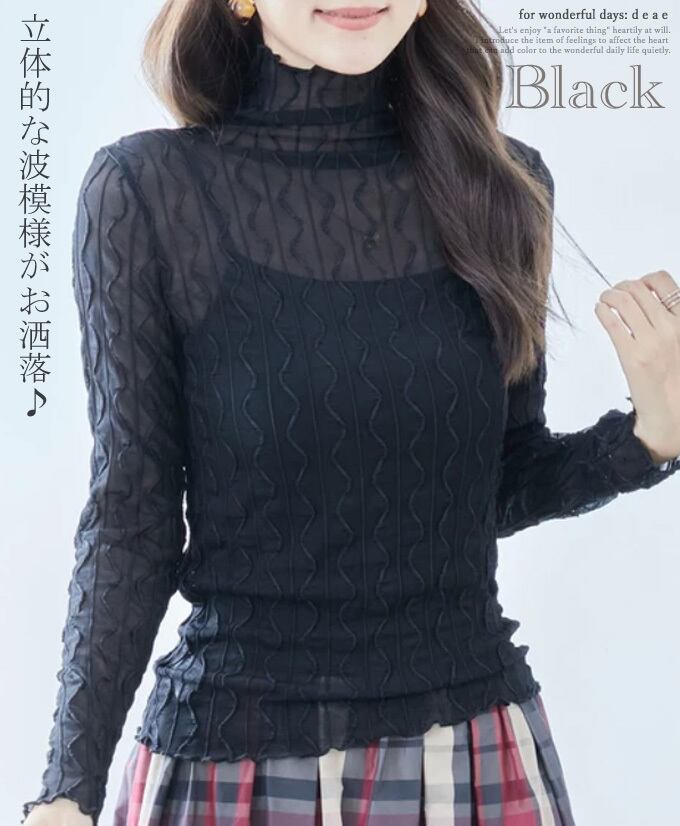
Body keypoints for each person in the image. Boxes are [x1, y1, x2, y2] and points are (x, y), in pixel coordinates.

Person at [21, 1, 680, 824]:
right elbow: (132, 516)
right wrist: (67, 789)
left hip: (471, 754)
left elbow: (494, 485)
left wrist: (650, 437)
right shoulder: (146, 192)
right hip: (234, 762)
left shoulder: (504, 185)